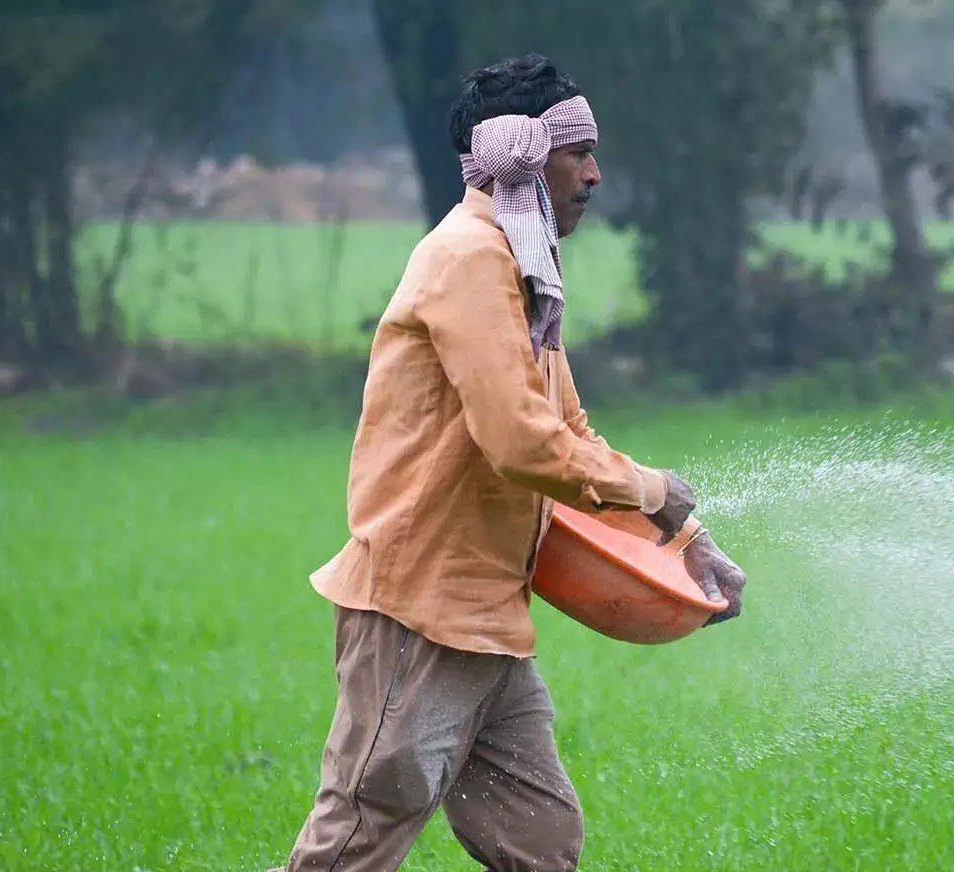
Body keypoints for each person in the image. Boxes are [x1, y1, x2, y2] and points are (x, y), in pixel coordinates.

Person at [278, 54, 747, 872]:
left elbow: (571, 432)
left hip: (489, 619)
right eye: (579, 153)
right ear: (521, 155)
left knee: (538, 840)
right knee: (357, 838)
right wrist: (657, 491)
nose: (595, 175)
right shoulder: (467, 259)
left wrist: (681, 535)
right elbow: (523, 445)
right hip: (418, 614)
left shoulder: (525, 266)